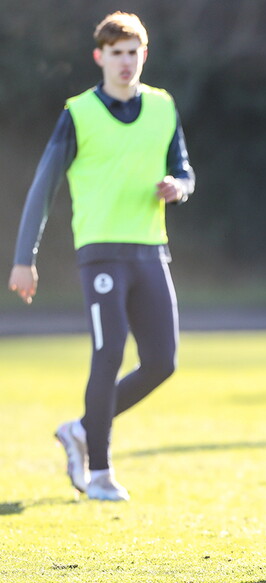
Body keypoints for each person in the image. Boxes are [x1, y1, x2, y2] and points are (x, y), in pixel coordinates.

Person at [8, 12, 195, 501]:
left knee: (163, 362)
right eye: (116, 53)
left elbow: (184, 170)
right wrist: (24, 258)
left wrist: (179, 187)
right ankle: (99, 472)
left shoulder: (163, 107)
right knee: (108, 351)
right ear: (100, 57)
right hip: (100, 253)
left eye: (134, 52)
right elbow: (43, 188)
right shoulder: (78, 112)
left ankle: (79, 429)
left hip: (151, 250)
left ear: (144, 55)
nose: (126, 62)